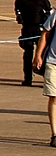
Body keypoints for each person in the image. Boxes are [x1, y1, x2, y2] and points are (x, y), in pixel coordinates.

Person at [15, 0, 50, 87]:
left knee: (28, 54)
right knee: (43, 54)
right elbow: (49, 11)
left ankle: (28, 79)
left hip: (27, 29)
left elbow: (18, 13)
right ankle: (46, 78)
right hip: (39, 29)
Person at [32, 10, 56, 147]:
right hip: (53, 62)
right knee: (53, 97)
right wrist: (38, 55)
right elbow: (45, 33)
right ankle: (55, 134)